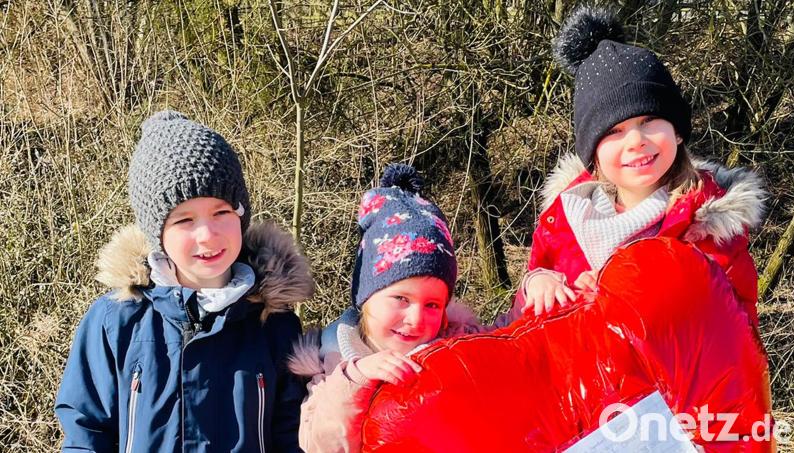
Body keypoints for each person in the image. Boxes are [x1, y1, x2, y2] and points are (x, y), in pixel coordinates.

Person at [55, 110, 313, 452]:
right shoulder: (114, 321)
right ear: (157, 232)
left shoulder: (275, 326)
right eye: (184, 220)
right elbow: (85, 434)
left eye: (222, 212)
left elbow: (293, 437)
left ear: (241, 215)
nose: (207, 235)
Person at [518, 7, 766, 327]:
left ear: (677, 131)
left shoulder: (709, 232)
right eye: (613, 131)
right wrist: (534, 286)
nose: (636, 140)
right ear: (593, 152)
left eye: (649, 120)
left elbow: (732, 336)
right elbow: (528, 332)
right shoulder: (565, 216)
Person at [289, 163, 485, 452]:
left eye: (432, 304)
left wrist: (537, 282)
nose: (416, 318)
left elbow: (513, 341)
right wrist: (357, 378)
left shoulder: (456, 342)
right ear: (367, 297)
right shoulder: (331, 361)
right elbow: (317, 442)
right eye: (401, 299)